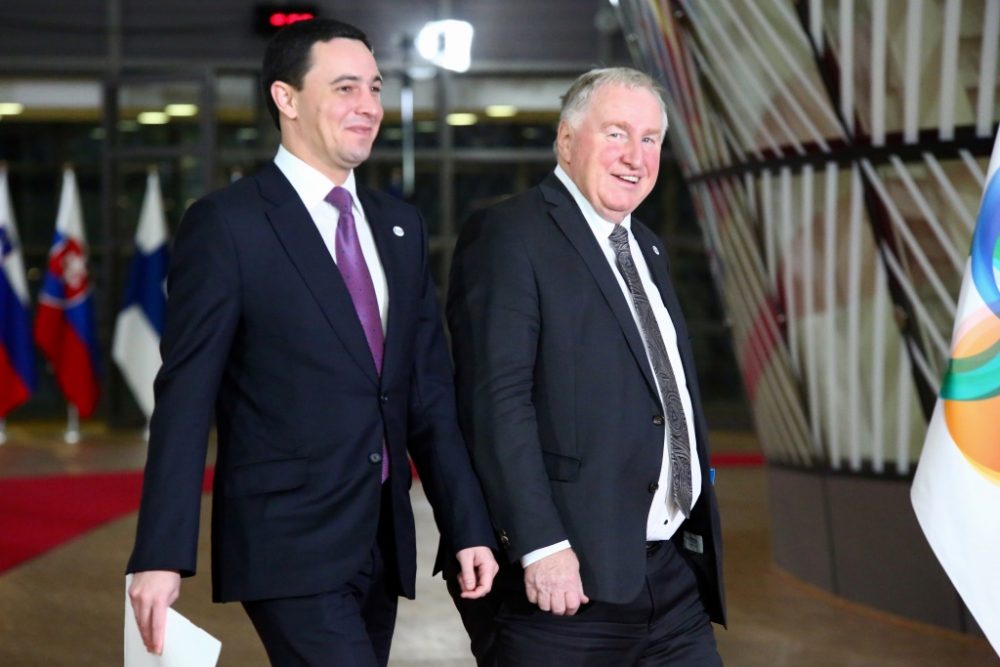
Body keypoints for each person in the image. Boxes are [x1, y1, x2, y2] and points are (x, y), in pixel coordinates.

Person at [126, 18, 498, 667]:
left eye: (376, 88)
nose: (369, 107)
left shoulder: (399, 226)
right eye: (346, 88)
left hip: (382, 542)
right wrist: (160, 553)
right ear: (286, 98)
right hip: (285, 543)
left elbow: (428, 398)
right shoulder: (229, 225)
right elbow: (186, 395)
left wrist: (465, 523)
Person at [446, 67, 726, 665]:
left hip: (668, 577)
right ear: (567, 141)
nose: (636, 156)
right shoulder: (511, 235)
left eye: (650, 139)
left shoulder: (646, 245)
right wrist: (542, 547)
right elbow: (497, 405)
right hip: (564, 587)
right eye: (617, 133)